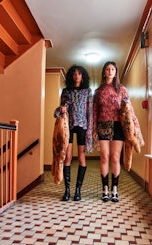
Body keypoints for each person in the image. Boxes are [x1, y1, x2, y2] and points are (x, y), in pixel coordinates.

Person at [54, 65, 93, 201]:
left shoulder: (88, 91)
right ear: (71, 76)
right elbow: (58, 112)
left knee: (82, 157)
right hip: (68, 127)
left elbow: (90, 112)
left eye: (79, 74)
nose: (77, 76)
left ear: (83, 76)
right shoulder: (66, 91)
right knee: (68, 157)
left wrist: (90, 130)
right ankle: (67, 190)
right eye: (74, 74)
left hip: (82, 125)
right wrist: (61, 108)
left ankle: (78, 190)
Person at [93, 61, 129, 203]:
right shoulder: (98, 91)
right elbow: (94, 111)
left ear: (116, 72)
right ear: (104, 72)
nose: (109, 71)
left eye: (112, 69)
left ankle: (115, 189)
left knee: (115, 157)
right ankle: (105, 189)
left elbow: (128, 110)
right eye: (107, 69)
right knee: (104, 156)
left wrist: (131, 128)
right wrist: (94, 129)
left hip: (118, 125)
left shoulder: (122, 89)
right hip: (103, 124)